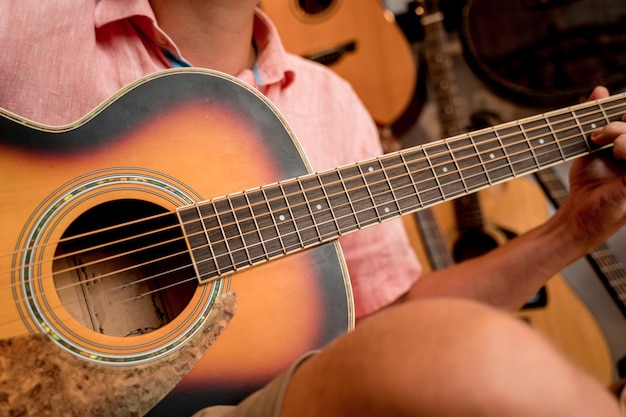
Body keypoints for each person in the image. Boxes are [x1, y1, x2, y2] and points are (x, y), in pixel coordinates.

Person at [1, 1, 625, 416]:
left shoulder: (333, 103)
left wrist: (572, 230)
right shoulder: (22, 22)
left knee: (477, 361)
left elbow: (397, 330)